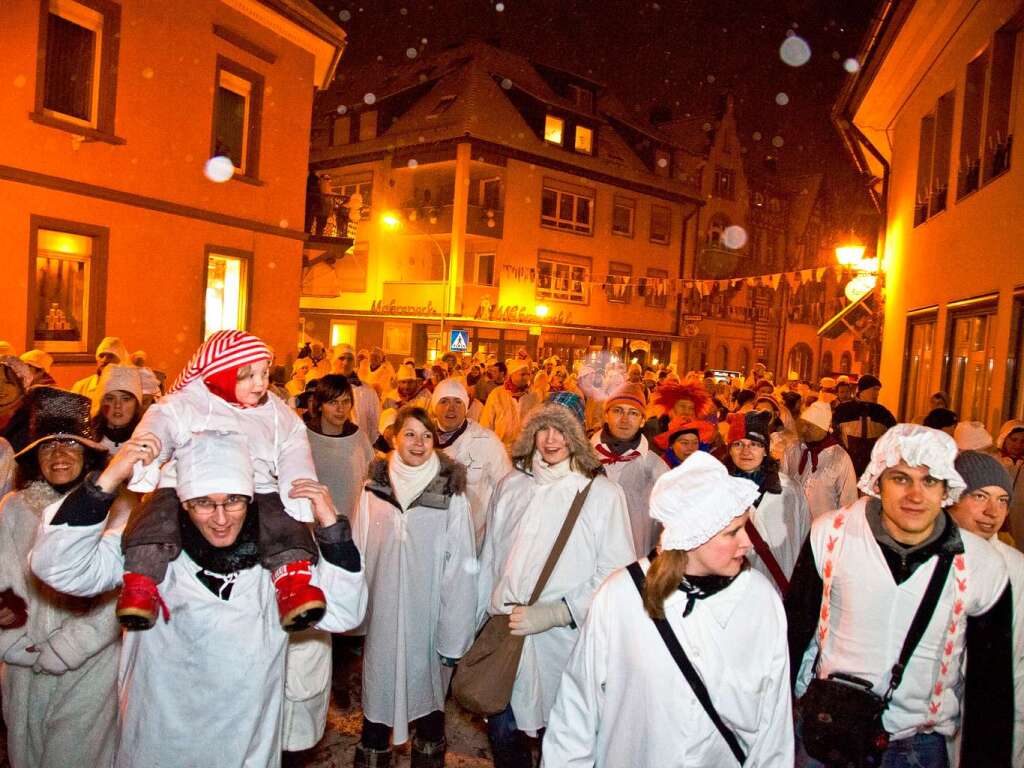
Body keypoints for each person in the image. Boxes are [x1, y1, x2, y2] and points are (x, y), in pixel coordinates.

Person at [31, 428, 366, 768]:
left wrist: (331, 528)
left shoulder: (276, 561)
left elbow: (344, 612)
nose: (221, 519)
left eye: (233, 501)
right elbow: (58, 566)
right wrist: (106, 482)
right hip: (157, 740)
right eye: (204, 503)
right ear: (184, 502)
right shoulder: (148, 553)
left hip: (245, 743)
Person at [542, 451, 794, 766]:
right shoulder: (622, 595)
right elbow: (577, 707)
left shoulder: (760, 600)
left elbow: (774, 723)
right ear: (694, 536)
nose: (748, 543)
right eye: (732, 532)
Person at [786, 424, 1014, 767]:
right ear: (878, 481)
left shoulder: (982, 566)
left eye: (930, 480)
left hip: (918, 747)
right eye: (901, 478)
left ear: (947, 489)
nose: (916, 495)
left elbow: (991, 689)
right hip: (828, 733)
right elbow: (792, 636)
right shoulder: (831, 536)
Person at [116, 330, 327, 631]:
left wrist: (299, 485)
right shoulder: (189, 401)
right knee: (156, 518)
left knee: (282, 523)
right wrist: (149, 448)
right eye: (248, 375)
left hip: (255, 486)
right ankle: (140, 580)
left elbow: (294, 444)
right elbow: (159, 421)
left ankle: (293, 580)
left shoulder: (274, 412)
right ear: (222, 374)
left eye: (264, 373)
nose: (261, 383)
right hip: (187, 484)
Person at [478, 403, 635, 767]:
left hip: (565, 642)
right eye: (543, 428)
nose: (551, 439)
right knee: (503, 733)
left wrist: (559, 612)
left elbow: (617, 575)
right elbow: (490, 560)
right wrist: (479, 620)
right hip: (507, 635)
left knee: (562, 738)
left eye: (561, 430)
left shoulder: (602, 495)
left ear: (577, 436)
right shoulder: (511, 485)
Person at [0, 388, 124, 768]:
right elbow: (4, 582)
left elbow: (121, 594)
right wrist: (13, 641)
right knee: (28, 755)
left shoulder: (116, 508)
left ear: (88, 452)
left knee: (77, 757)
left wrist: (71, 646)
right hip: (25, 666)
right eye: (47, 446)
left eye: (70, 443)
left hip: (91, 664)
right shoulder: (14, 508)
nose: (58, 454)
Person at [351, 407, 477, 767]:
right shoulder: (374, 487)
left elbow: (461, 565)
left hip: (429, 614)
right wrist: (355, 610)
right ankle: (374, 753)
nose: (418, 443)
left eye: (426, 435)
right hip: (383, 615)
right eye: (410, 434)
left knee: (428, 692)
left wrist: (454, 630)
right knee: (379, 688)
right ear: (394, 438)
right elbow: (359, 551)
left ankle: (429, 753)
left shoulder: (449, 492)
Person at [947, 450, 1023, 766]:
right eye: (980, 496)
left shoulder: (1016, 569)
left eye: (1003, 500)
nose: (993, 511)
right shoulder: (925, 560)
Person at [724, 411, 810, 595]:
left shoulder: (790, 490)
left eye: (754, 444)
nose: (746, 451)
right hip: (733, 595)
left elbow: (804, 540)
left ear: (765, 450)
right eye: (738, 444)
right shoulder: (717, 492)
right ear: (729, 449)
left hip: (781, 592)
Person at [431, 379, 510, 552]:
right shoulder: (422, 441)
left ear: (466, 407)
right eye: (444, 401)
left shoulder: (486, 440)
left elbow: (507, 491)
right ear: (434, 407)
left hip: (473, 545)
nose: (451, 408)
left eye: (458, 402)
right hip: (432, 543)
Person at [592, 382, 668, 557]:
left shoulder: (655, 467)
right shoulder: (583, 459)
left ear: (642, 421)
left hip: (633, 561)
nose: (625, 419)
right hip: (587, 557)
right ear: (606, 415)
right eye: (617, 410)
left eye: (633, 413)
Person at [782, 400, 858, 520]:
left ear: (822, 429)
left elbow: (848, 500)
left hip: (823, 529)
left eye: (810, 427)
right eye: (803, 425)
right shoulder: (792, 450)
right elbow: (782, 484)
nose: (805, 430)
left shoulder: (840, 457)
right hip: (792, 523)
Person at [831, 373, 897, 477]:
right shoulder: (844, 410)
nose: (877, 394)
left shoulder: (882, 413)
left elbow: (893, 438)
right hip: (847, 469)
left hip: (872, 471)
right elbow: (834, 437)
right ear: (863, 390)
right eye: (874, 390)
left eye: (878, 391)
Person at [480, 359, 542, 449]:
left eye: (528, 374)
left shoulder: (534, 396)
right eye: (522, 374)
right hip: (500, 450)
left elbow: (540, 423)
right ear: (512, 374)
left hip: (525, 451)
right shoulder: (497, 394)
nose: (526, 378)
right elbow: (486, 424)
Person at [90, 364, 145, 453]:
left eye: (126, 399)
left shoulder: (147, 439)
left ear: (136, 404)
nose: (118, 405)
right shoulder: (87, 440)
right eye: (110, 399)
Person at [332, 343, 381, 444]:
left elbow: (374, 424)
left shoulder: (367, 391)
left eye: (350, 359)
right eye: (341, 358)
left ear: (354, 363)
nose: (345, 363)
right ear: (334, 361)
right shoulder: (325, 388)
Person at [997, 420, 1024, 547]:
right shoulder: (994, 462)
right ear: (1004, 439)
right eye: (1013, 440)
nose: (1018, 445)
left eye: (1022, 441)